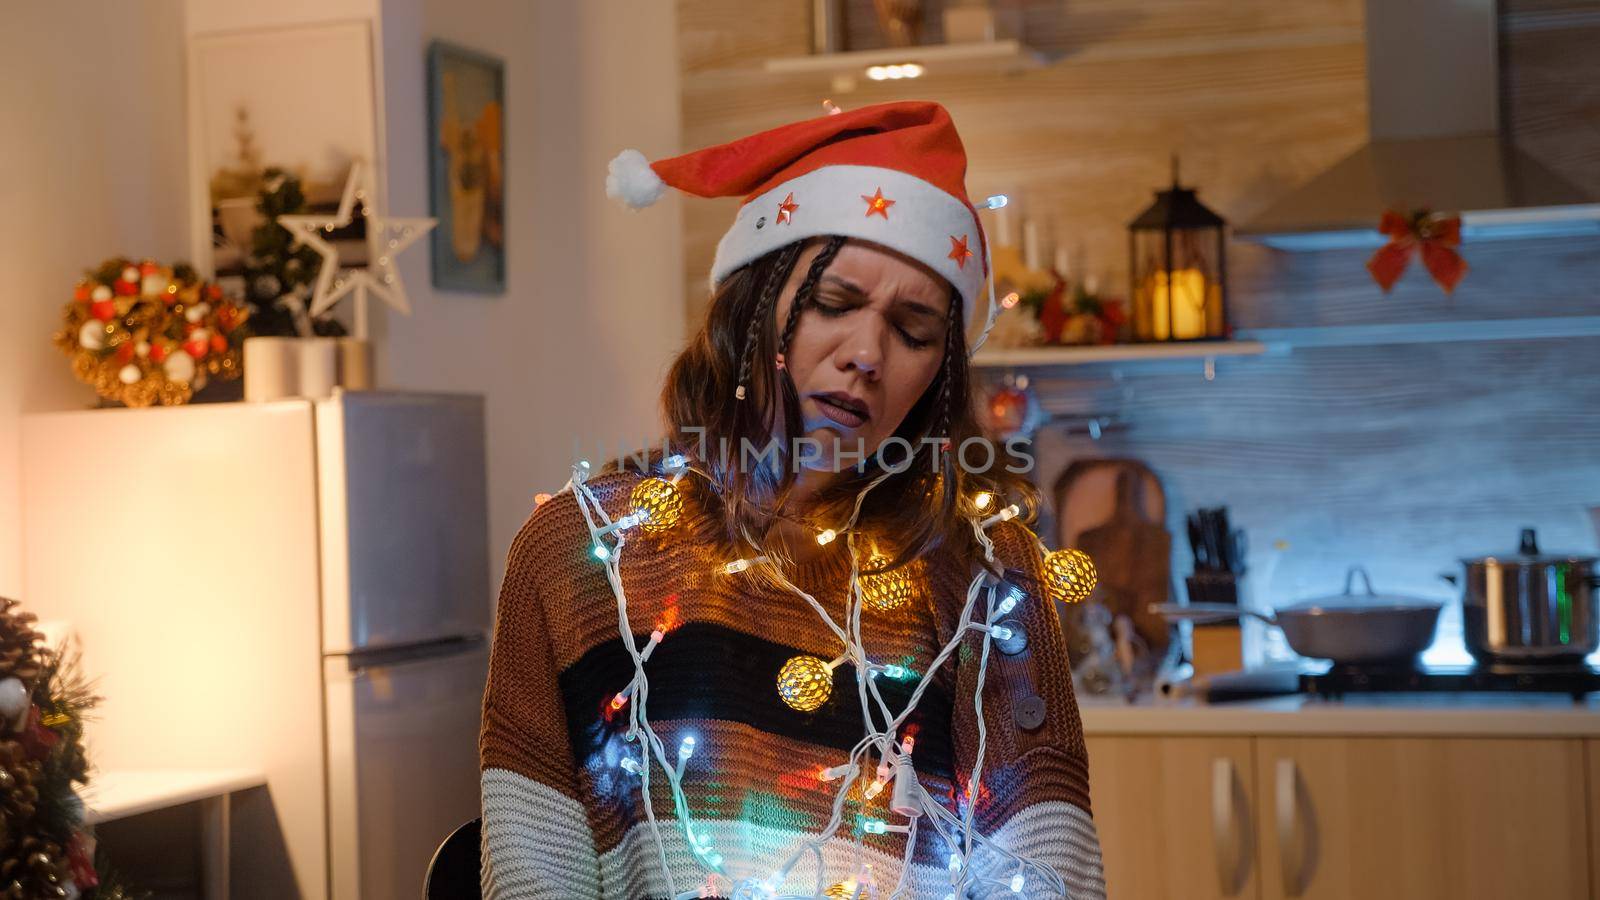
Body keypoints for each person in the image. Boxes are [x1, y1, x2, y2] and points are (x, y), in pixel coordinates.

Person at [479, 100, 1106, 899]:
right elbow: (535, 878)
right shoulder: (583, 553)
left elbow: (1051, 879)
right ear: (753, 310)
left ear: (938, 376)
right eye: (835, 304)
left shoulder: (988, 578)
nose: (867, 355)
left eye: (914, 331)